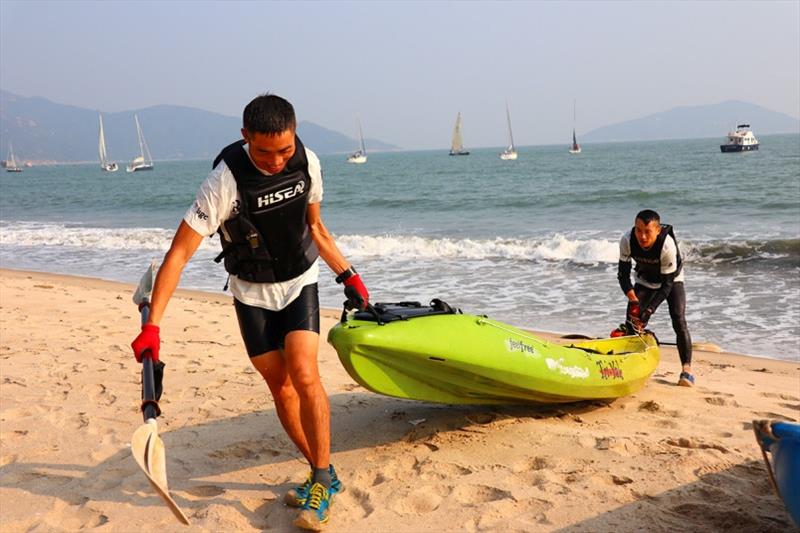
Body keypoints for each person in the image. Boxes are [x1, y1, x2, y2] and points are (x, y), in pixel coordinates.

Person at [131, 93, 368, 530]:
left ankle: (319, 479)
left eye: (283, 149)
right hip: (251, 294)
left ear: (294, 135)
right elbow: (178, 254)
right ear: (245, 138)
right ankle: (324, 471)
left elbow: (315, 227)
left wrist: (348, 276)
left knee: (305, 373)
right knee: (280, 387)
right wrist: (154, 328)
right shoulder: (223, 183)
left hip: (301, 283)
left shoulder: (307, 161)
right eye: (264, 151)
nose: (277, 160)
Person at [616, 209, 694, 386]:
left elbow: (666, 286)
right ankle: (629, 367)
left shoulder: (667, 245)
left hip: (671, 280)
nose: (642, 236)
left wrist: (650, 310)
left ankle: (687, 371)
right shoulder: (627, 240)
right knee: (632, 324)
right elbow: (622, 275)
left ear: (657, 230)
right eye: (638, 230)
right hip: (644, 280)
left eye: (647, 231)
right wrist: (634, 300)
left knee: (679, 319)